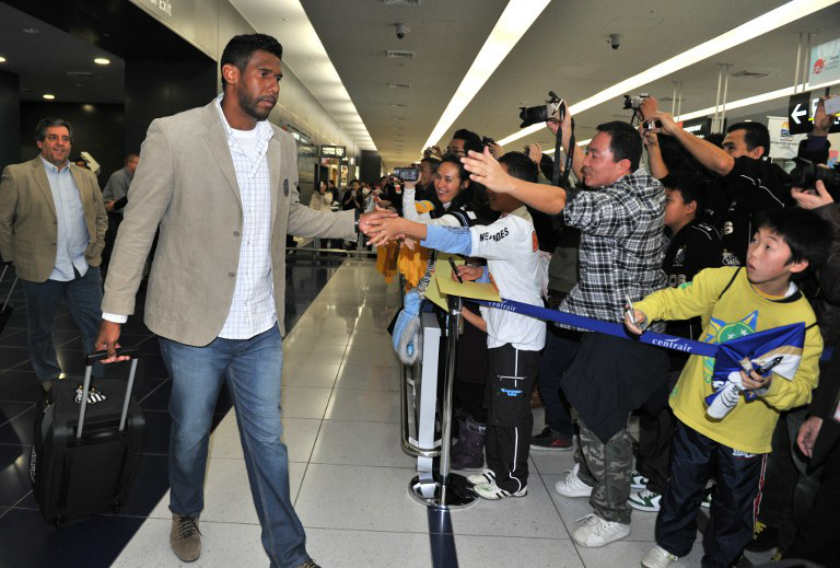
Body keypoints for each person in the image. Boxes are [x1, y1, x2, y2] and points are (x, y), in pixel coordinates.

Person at [93, 33, 391, 568]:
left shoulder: (280, 143)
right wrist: (114, 314)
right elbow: (137, 228)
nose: (274, 86)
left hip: (259, 326)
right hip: (193, 326)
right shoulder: (174, 134)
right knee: (188, 436)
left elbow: (290, 215)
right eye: (265, 74)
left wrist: (353, 223)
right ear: (231, 74)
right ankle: (185, 509)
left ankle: (288, 553)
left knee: (269, 444)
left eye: (278, 77)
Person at [462, 115, 670, 547]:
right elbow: (577, 181)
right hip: (590, 317)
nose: (584, 162)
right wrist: (567, 137)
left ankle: (613, 512)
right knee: (569, 385)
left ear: (624, 166)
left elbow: (564, 203)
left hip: (625, 329)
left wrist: (509, 180)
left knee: (602, 417)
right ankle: (588, 468)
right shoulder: (632, 183)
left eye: (594, 155)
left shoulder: (628, 203)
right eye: (587, 152)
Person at [624, 207, 831, 568]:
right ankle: (671, 543)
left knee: (735, 505)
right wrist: (645, 310)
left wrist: (768, 386)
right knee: (681, 487)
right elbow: (676, 299)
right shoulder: (725, 279)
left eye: (770, 247)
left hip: (746, 435)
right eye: (755, 240)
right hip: (694, 411)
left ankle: (720, 560)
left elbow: (801, 389)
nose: (754, 251)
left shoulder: (803, 325)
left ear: (797, 264)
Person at [370, 151, 547, 499]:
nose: (488, 184)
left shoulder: (515, 225)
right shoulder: (512, 220)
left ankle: (513, 481)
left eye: (497, 177)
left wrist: (406, 226)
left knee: (510, 414)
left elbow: (462, 240)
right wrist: (480, 272)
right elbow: (517, 270)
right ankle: (498, 472)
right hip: (502, 331)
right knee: (499, 409)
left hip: (517, 336)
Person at [629, 171, 724, 513]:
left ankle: (661, 483)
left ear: (691, 206)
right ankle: (648, 470)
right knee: (657, 408)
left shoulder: (700, 238)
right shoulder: (674, 236)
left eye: (669, 200)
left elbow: (698, 298)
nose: (661, 205)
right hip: (667, 341)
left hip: (689, 347)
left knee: (672, 415)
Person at [0, 118, 107, 397]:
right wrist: (12, 258)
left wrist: (96, 249)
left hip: (83, 268)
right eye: (53, 138)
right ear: (40, 143)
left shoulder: (86, 177)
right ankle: (48, 375)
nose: (60, 143)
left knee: (95, 326)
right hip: (40, 269)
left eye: (65, 139)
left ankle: (95, 378)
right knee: (41, 329)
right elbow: (3, 220)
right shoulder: (18, 174)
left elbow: (99, 217)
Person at [643, 97, 791, 265]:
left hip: (749, 281)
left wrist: (676, 130)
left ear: (757, 152)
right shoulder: (717, 183)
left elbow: (723, 163)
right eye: (723, 147)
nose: (723, 152)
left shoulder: (768, 180)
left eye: (731, 147)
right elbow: (667, 183)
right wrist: (653, 146)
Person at [101, 153, 139, 273]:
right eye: (137, 162)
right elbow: (120, 202)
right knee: (112, 246)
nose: (140, 166)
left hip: (122, 215)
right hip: (111, 214)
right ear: (130, 163)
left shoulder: (134, 177)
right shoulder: (118, 176)